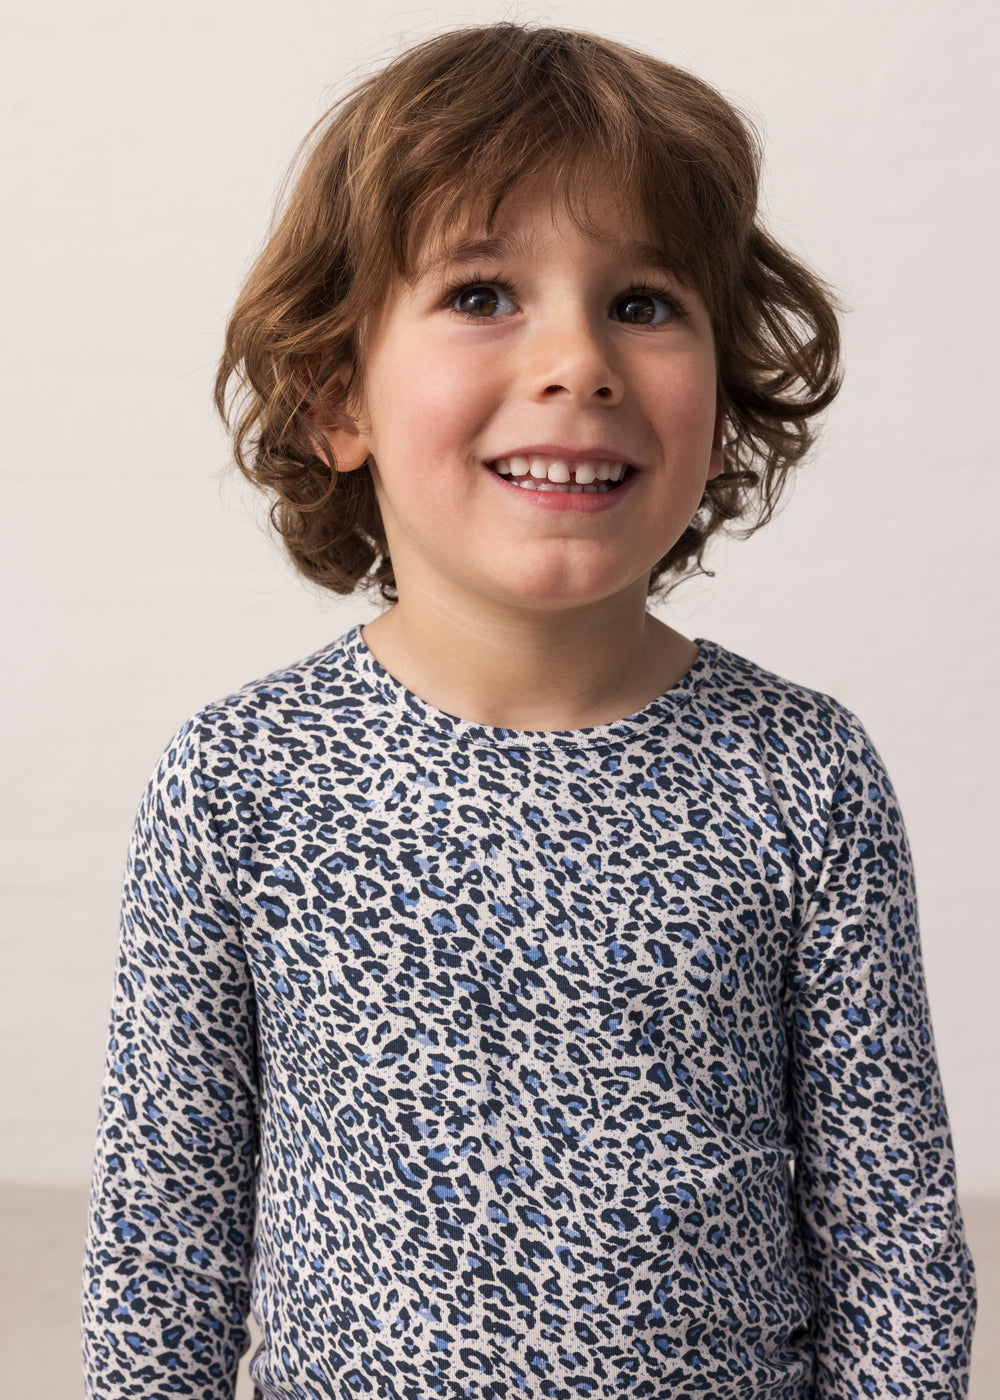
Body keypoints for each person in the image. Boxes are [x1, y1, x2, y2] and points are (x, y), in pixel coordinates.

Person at [81, 22, 976, 1400]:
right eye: (484, 293)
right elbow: (166, 1246)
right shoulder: (242, 779)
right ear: (335, 395)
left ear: (722, 401)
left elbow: (894, 1239)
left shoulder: (803, 774)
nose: (579, 360)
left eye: (645, 303)